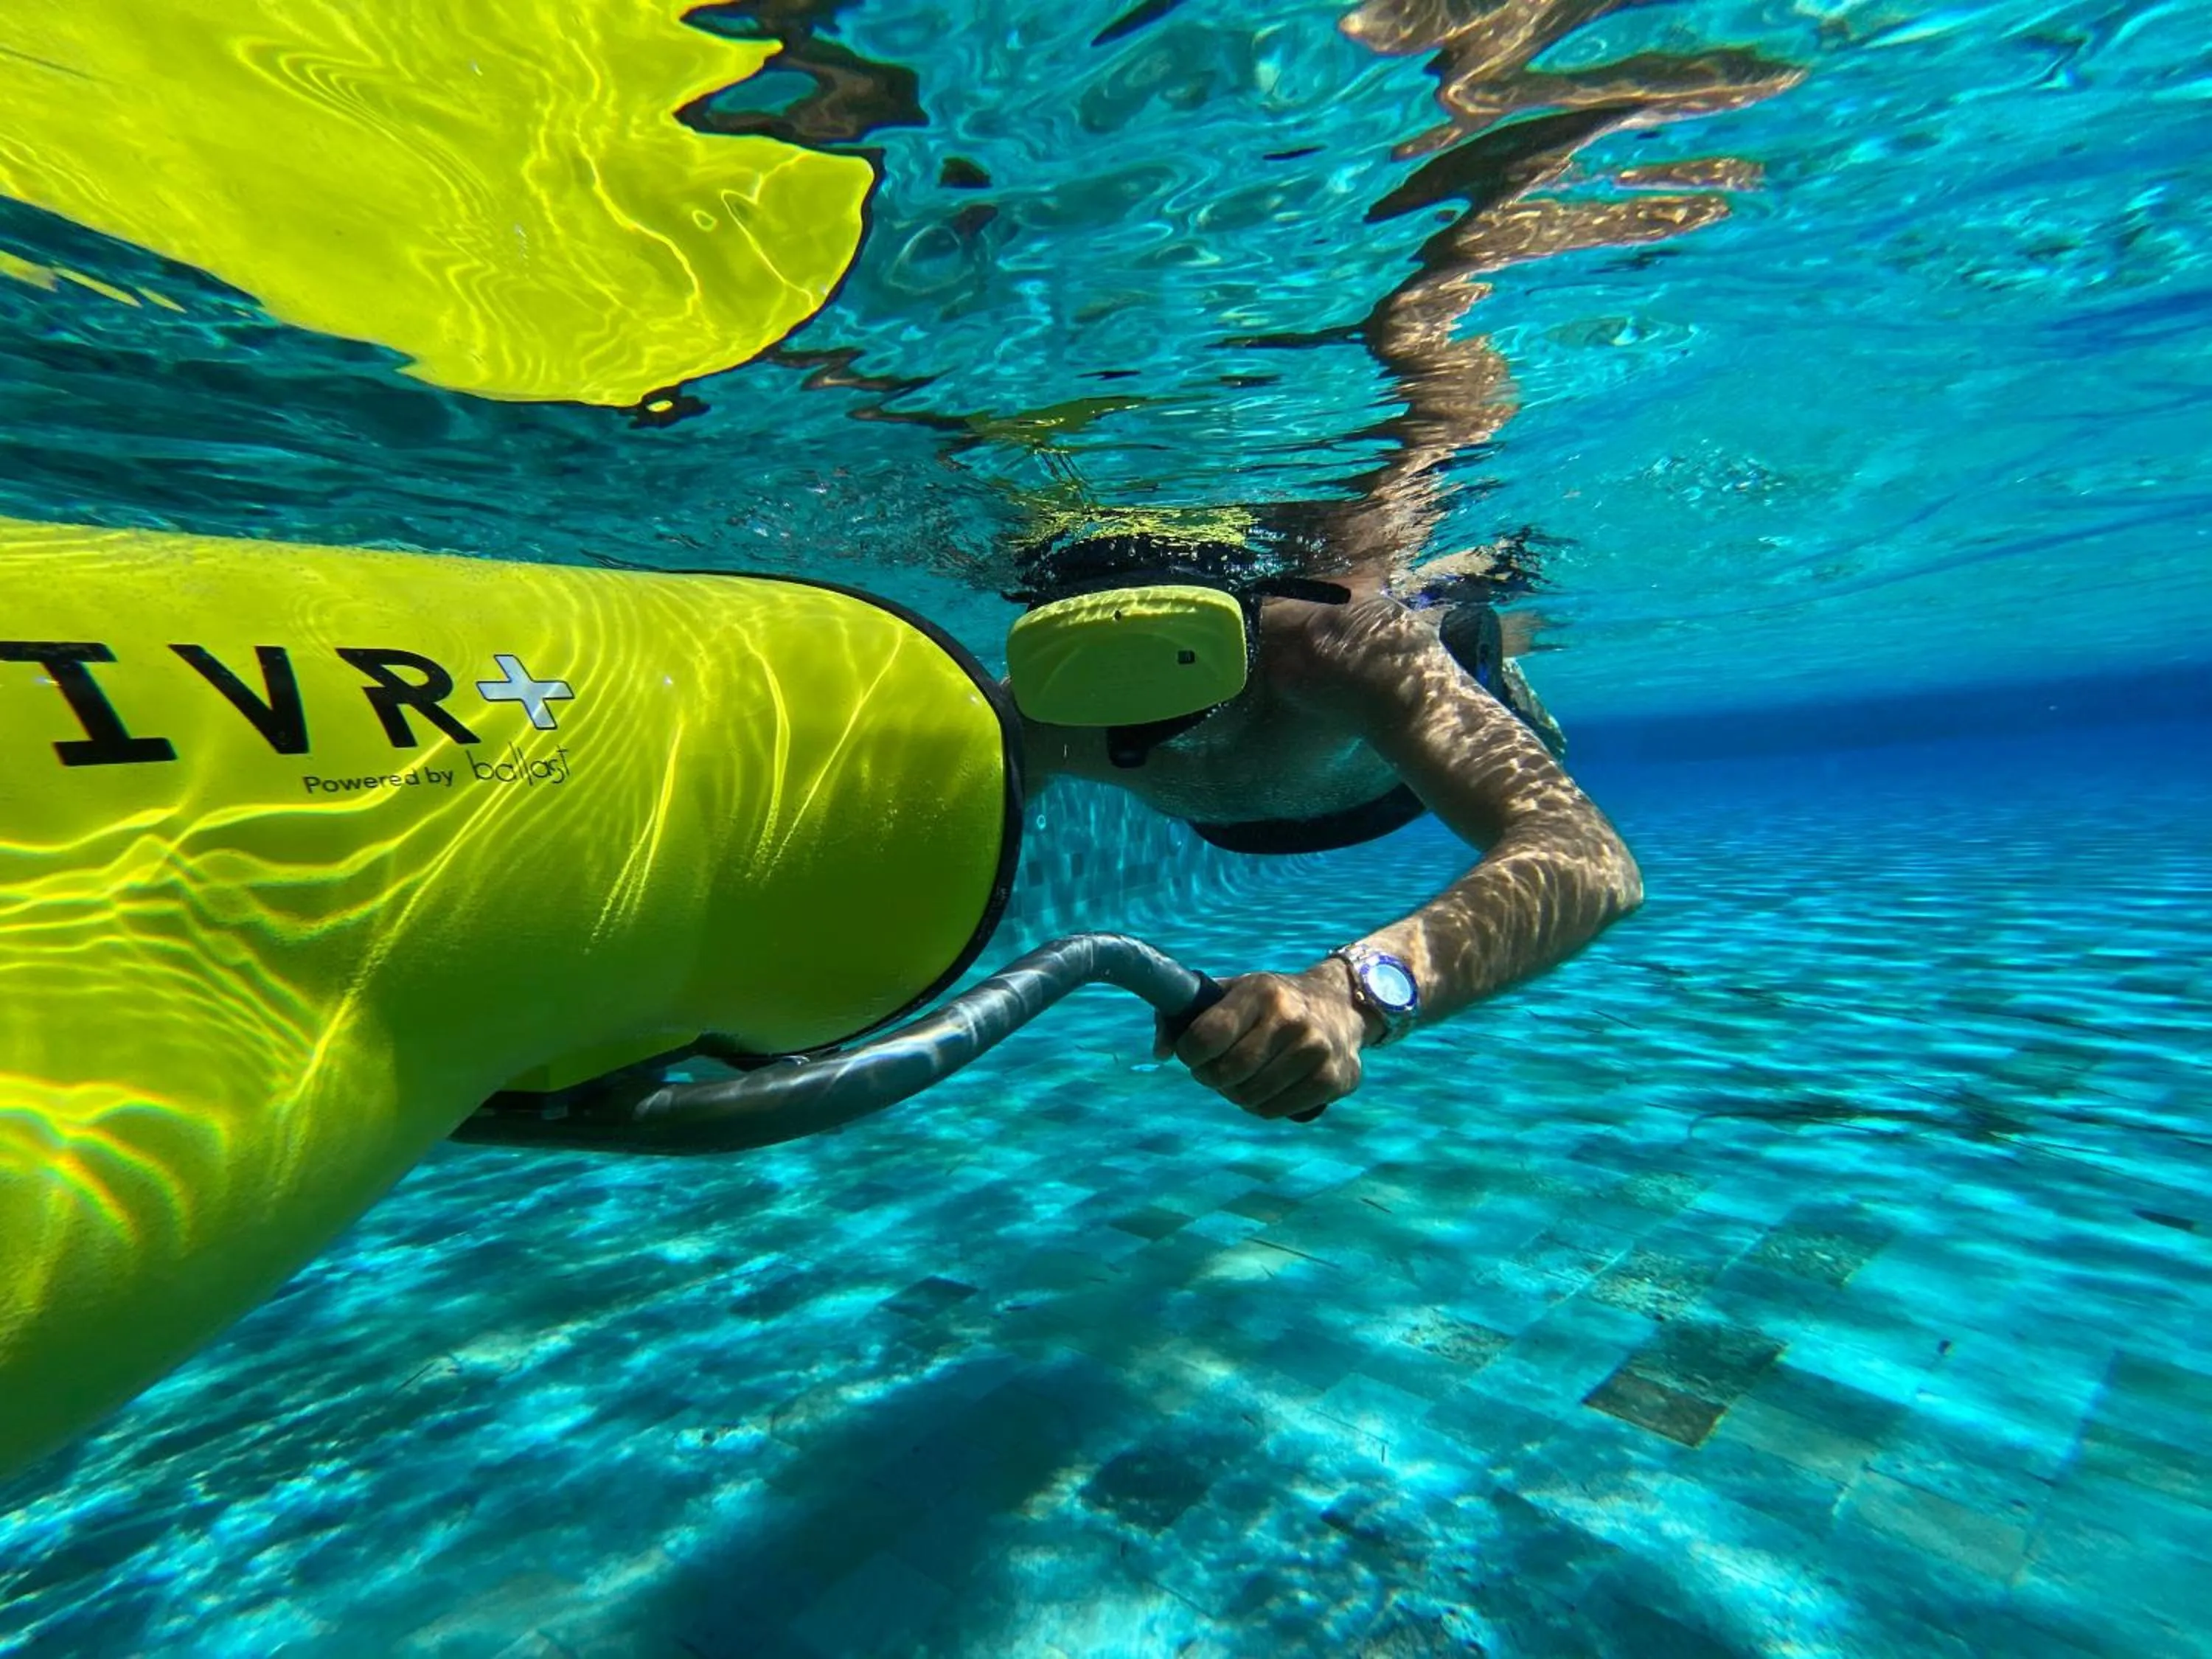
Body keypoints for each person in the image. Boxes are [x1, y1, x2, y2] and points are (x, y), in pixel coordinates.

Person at [1005, 528, 1644, 1126]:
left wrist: (1349, 997)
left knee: (1494, 694)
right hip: (1223, 820)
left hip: (1390, 790)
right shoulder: (1027, 711)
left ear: (1245, 614)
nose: (1135, 686)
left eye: (1178, 648)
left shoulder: (1343, 644)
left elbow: (1591, 858)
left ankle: (1487, 674)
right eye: (1082, 660)